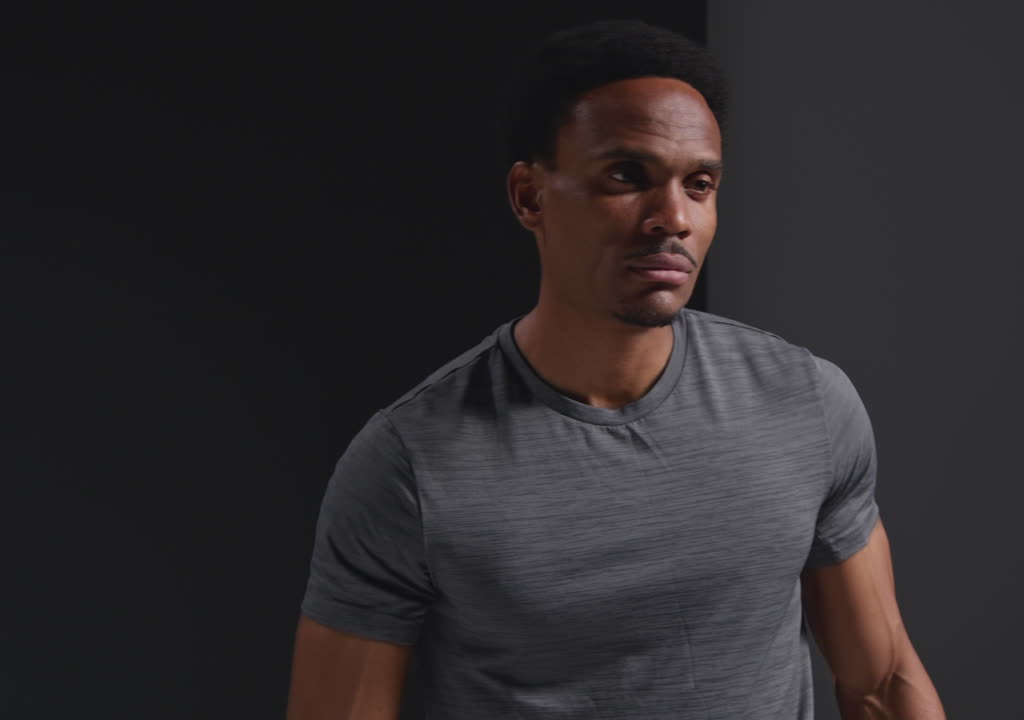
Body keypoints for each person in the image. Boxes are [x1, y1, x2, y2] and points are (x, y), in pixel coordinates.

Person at [286, 18, 945, 720]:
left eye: (699, 184)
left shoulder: (806, 403)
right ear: (530, 196)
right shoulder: (410, 464)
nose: (673, 217)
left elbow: (881, 684)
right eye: (627, 176)